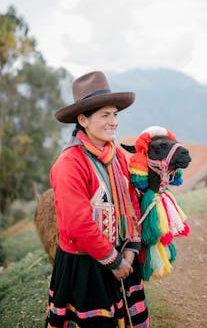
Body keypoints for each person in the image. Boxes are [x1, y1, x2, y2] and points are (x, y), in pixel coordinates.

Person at [45, 71, 149, 328]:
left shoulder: (117, 157)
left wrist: (130, 249)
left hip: (122, 257)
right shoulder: (70, 164)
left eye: (115, 114)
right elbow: (77, 223)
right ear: (83, 119)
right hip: (85, 267)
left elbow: (132, 202)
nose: (114, 121)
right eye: (105, 115)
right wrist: (114, 261)